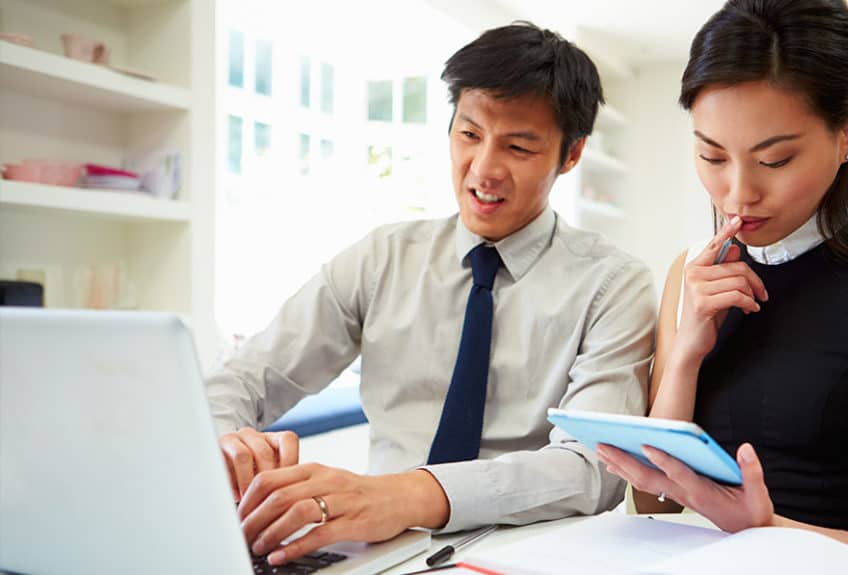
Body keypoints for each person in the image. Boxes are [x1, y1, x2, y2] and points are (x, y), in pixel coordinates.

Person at [205, 21, 657, 567]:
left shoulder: (614, 285)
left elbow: (595, 468)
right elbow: (244, 376)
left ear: (571, 154)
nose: (484, 170)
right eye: (469, 135)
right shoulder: (382, 257)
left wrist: (404, 495)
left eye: (517, 146)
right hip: (371, 549)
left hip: (522, 555)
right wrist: (226, 437)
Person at [595, 1, 848, 573]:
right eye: (711, 155)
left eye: (775, 159)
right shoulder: (689, 274)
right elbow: (655, 503)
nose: (737, 194)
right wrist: (687, 353)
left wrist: (771, 534)